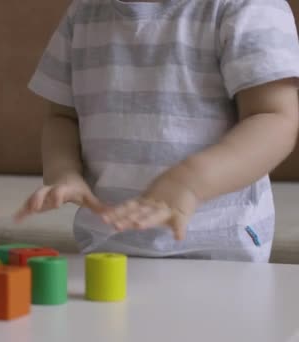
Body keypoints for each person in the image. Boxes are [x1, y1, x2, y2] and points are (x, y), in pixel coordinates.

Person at [15, 0, 299, 262]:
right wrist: (64, 173)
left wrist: (188, 183)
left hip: (221, 250)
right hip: (109, 246)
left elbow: (274, 118)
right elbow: (62, 117)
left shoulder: (246, 7)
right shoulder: (84, 13)